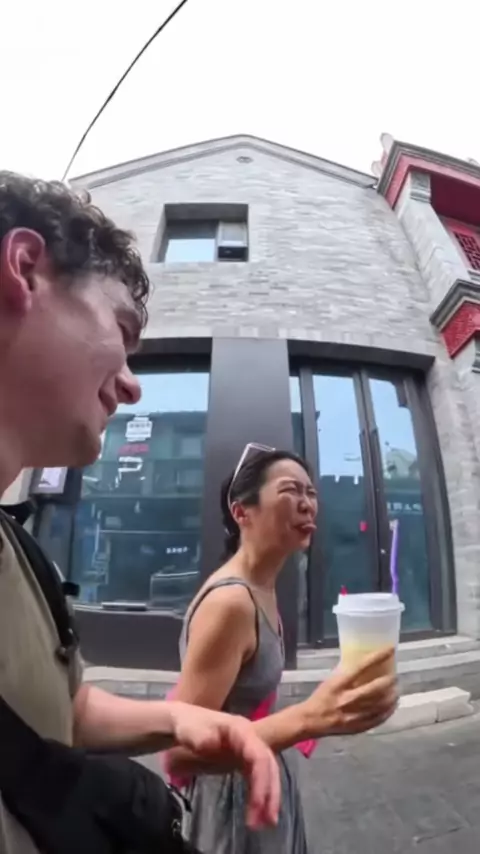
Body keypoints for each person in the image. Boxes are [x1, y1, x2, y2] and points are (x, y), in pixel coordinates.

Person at [0, 173, 282, 854]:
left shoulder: (22, 556)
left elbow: (64, 710)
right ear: (25, 269)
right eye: (121, 332)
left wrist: (178, 720)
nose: (132, 387)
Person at [164, 446, 398, 854]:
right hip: (235, 807)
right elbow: (180, 753)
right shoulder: (231, 603)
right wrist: (309, 718)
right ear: (242, 512)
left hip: (261, 779)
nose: (308, 504)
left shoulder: (264, 586)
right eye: (291, 490)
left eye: (311, 492)